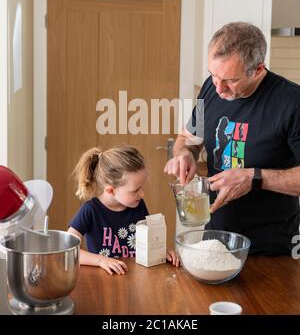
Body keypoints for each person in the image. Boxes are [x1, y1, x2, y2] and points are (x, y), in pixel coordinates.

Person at [164, 22, 300, 255]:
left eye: (231, 80)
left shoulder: (291, 102)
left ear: (258, 69)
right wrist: (185, 153)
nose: (219, 88)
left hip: (272, 247)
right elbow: (188, 137)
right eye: (213, 75)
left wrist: (254, 178)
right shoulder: (210, 87)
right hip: (216, 237)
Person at [68, 145, 179, 275]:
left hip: (136, 278)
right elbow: (68, 250)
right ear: (111, 190)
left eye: (141, 187)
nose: (142, 194)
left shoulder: (138, 205)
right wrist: (100, 261)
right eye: (135, 190)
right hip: (103, 280)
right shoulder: (90, 210)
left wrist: (161, 251)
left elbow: (148, 240)